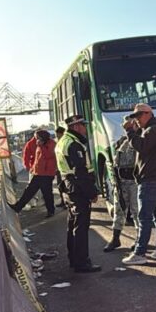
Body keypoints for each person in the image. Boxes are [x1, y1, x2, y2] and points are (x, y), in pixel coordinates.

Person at [120, 103, 156, 266]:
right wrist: (135, 131)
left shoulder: (153, 130)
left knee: (145, 217)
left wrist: (129, 131)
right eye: (135, 116)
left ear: (149, 113)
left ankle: (140, 252)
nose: (137, 119)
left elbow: (141, 146)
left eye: (139, 116)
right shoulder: (154, 129)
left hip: (151, 180)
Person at [55, 115, 101, 273]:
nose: (85, 128)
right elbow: (81, 172)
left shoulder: (62, 142)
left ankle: (74, 259)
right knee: (81, 227)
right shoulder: (74, 144)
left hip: (68, 187)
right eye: (82, 125)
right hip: (78, 188)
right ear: (75, 127)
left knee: (72, 224)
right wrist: (92, 193)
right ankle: (82, 262)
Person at [103, 126, 140, 252]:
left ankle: (140, 239)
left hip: (134, 181)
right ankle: (115, 238)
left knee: (137, 212)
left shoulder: (139, 140)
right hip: (120, 182)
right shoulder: (121, 142)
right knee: (119, 210)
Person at [10, 130, 56, 217]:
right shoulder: (36, 144)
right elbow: (36, 159)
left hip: (46, 174)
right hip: (39, 173)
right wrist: (32, 168)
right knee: (29, 191)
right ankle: (18, 206)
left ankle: (51, 211)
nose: (36, 140)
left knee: (47, 193)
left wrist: (41, 146)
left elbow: (48, 155)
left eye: (37, 138)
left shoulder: (51, 144)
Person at [53, 126, 69, 209]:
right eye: (56, 135)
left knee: (66, 187)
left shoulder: (66, 142)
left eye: (58, 135)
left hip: (66, 170)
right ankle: (63, 201)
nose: (57, 137)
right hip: (59, 169)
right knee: (60, 187)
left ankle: (67, 202)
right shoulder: (57, 143)